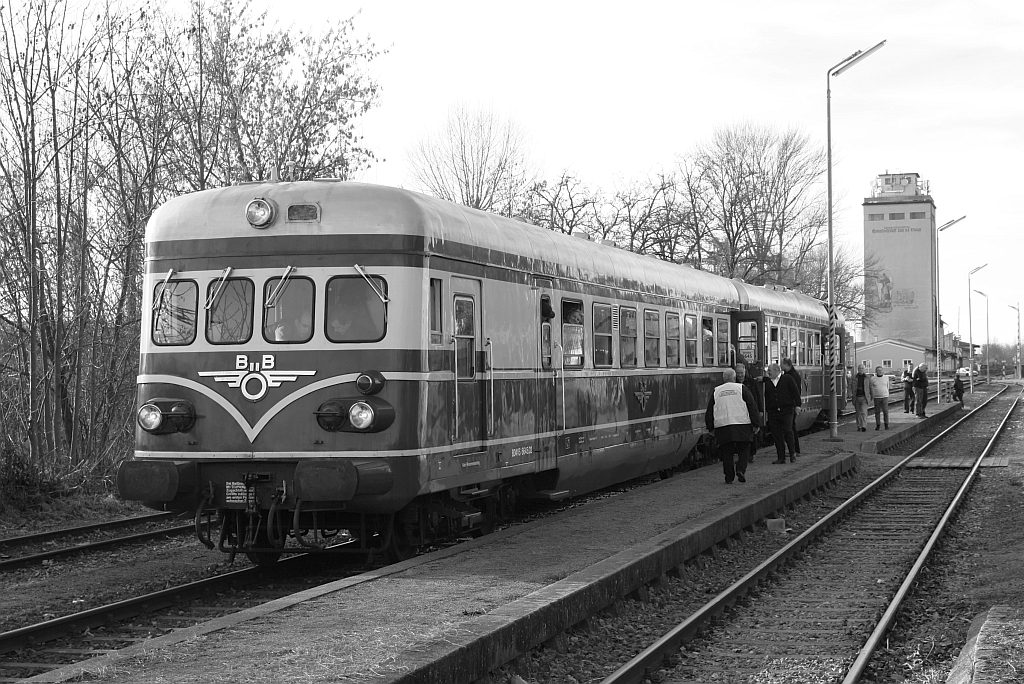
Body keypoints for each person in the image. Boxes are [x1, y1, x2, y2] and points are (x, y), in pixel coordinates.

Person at [705, 368, 761, 484]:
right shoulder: (741, 388)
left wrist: (710, 427)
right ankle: (740, 469)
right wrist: (756, 424)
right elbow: (752, 406)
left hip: (723, 426)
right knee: (744, 448)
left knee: (726, 451)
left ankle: (729, 476)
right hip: (742, 424)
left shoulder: (717, 391)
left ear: (724, 378)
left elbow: (710, 411)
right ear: (734, 378)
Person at [763, 362, 800, 464]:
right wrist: (767, 410)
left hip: (787, 410)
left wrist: (798, 405)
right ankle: (781, 457)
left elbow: (795, 392)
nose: (768, 372)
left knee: (788, 431)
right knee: (776, 435)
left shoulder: (787, 379)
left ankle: (792, 453)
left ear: (776, 371)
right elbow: (767, 397)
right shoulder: (768, 382)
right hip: (773, 412)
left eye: (769, 370)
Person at [735, 363, 764, 461]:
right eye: (738, 373)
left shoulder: (751, 382)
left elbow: (758, 396)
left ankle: (752, 453)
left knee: (753, 432)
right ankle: (742, 455)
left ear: (745, 372)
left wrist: (760, 410)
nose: (740, 375)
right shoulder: (734, 383)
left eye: (741, 373)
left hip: (751, 410)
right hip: (739, 411)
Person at [780, 358, 803, 457]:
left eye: (782, 364)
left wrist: (796, 405)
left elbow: (795, 392)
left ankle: (795, 450)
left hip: (791, 405)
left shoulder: (792, 376)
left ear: (786, 364)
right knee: (790, 428)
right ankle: (794, 450)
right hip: (792, 405)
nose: (780, 366)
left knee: (790, 428)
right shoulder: (791, 374)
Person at [865, 366, 890, 430]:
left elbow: (888, 386)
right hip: (877, 397)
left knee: (885, 411)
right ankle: (878, 425)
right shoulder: (873, 379)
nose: (880, 371)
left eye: (881, 370)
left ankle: (886, 424)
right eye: (878, 370)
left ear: (883, 371)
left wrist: (887, 393)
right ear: (876, 371)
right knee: (877, 411)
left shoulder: (886, 378)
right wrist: (872, 395)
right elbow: (871, 387)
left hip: (885, 396)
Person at [853, 366, 869, 432]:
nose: (861, 370)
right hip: (857, 397)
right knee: (858, 413)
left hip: (864, 397)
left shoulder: (867, 378)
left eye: (862, 368)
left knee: (864, 412)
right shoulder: (854, 377)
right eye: (860, 368)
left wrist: (872, 395)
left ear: (864, 369)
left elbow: (870, 386)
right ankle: (859, 426)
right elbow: (850, 385)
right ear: (858, 369)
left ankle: (864, 426)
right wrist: (849, 393)